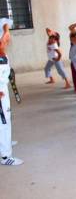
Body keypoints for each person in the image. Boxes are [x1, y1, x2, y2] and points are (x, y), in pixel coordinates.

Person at [0, 19, 23, 165]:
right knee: (3, 121)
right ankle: (5, 156)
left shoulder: (2, 53)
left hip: (3, 89)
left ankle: (5, 141)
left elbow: (5, 23)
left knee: (5, 120)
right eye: (5, 38)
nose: (7, 39)